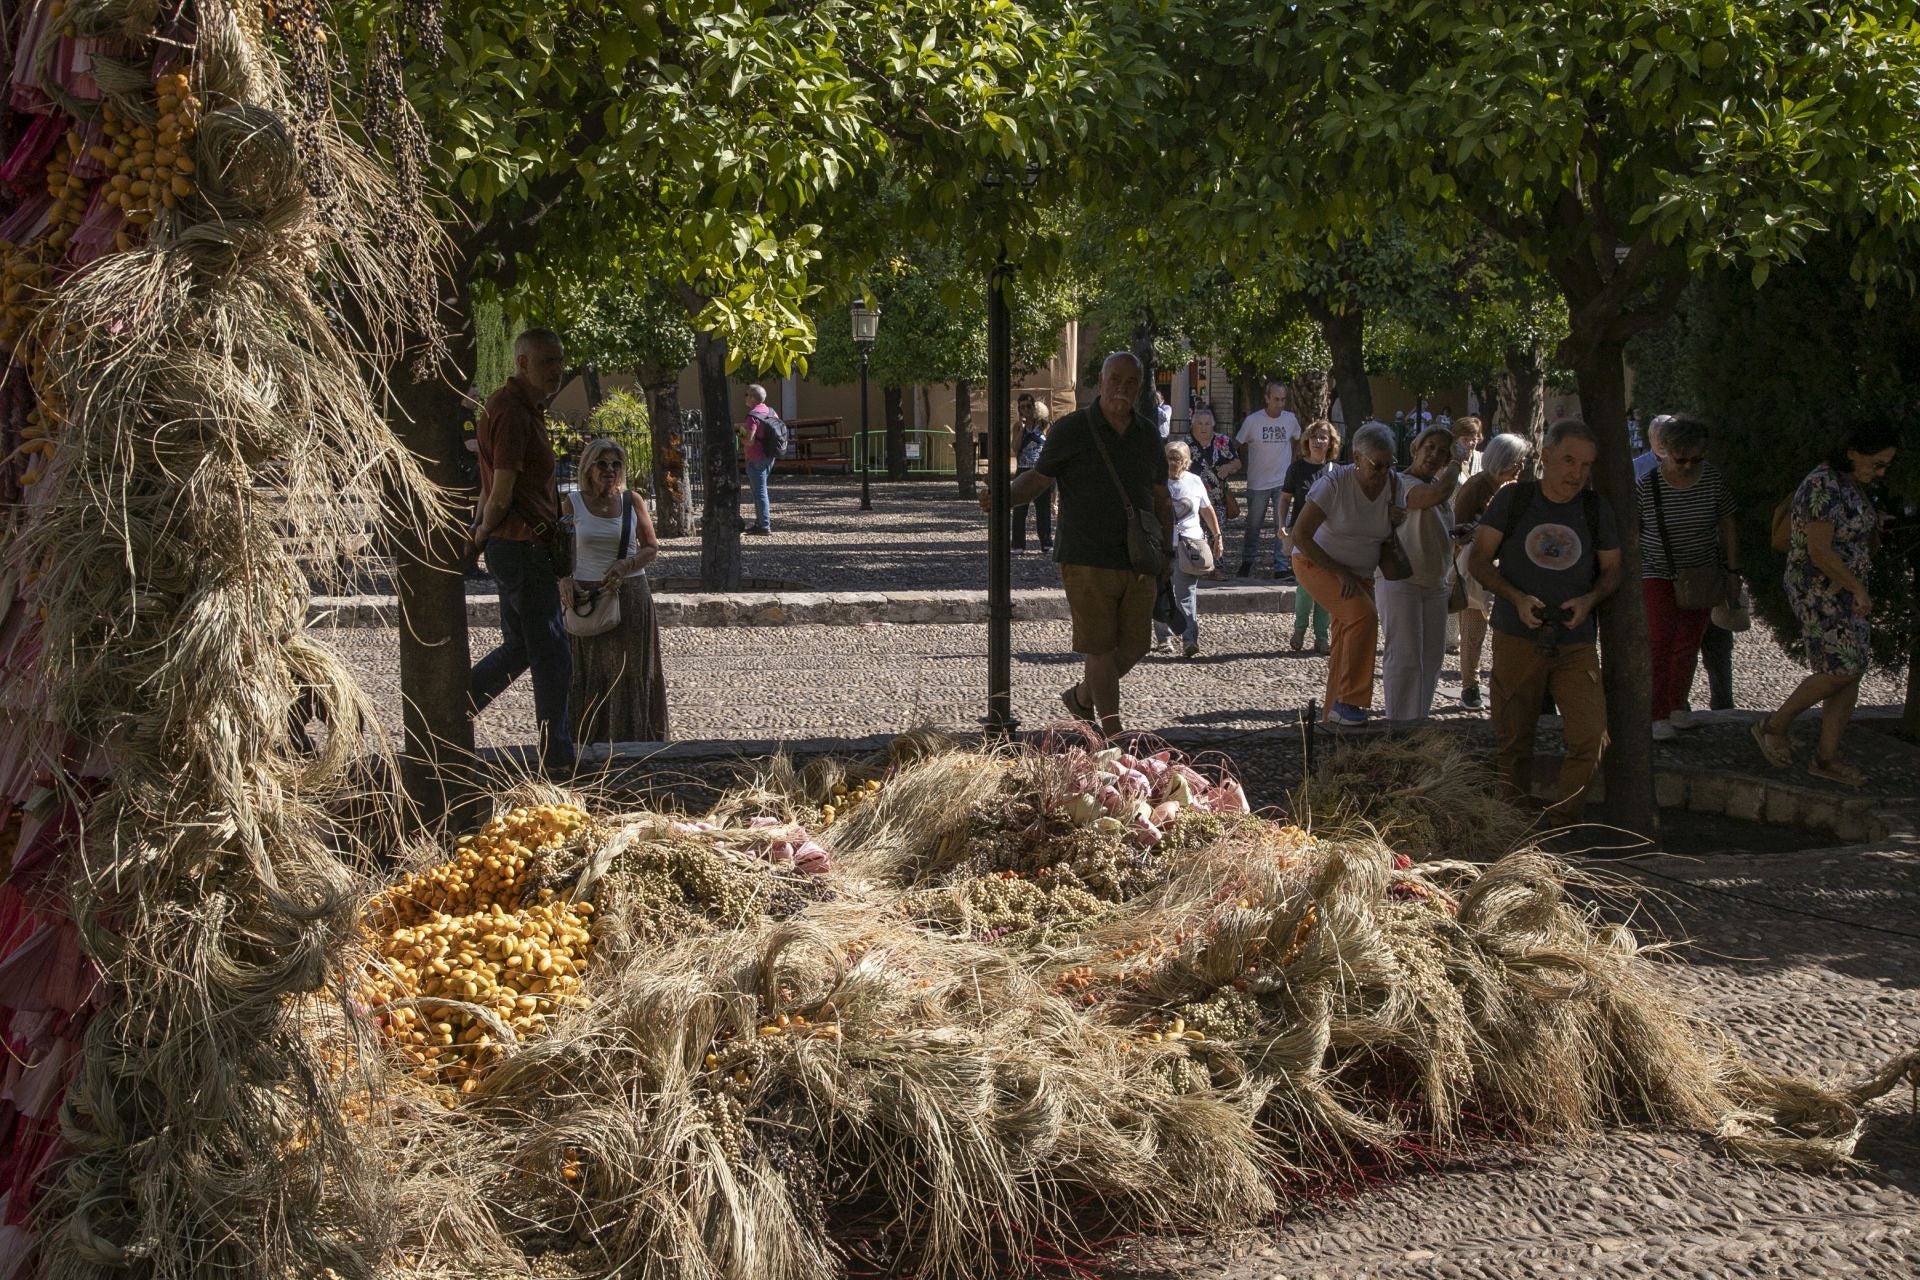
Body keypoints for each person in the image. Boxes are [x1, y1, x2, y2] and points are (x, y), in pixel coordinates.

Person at [997, 352, 1173, 737]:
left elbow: (1162, 498)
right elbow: (1039, 479)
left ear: (1140, 388)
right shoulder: (1071, 429)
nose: (1122, 388)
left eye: (1131, 382)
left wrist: (1169, 552)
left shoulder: (1147, 435)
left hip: (1139, 557)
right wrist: (1002, 497)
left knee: (1136, 646)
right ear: (1102, 380)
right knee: (1100, 648)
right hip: (1086, 556)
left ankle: (1081, 697)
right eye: (1116, 379)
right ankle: (1112, 736)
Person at [1468, 419, 1623, 823]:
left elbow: (1613, 571)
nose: (1577, 473)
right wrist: (1517, 598)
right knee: (1513, 739)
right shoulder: (1513, 501)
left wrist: (1590, 599)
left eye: (1586, 465)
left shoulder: (1594, 508)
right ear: (1547, 457)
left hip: (1575, 641)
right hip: (1517, 636)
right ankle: (1510, 822)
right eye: (1569, 461)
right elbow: (1479, 561)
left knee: (1591, 736)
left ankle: (1562, 821)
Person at [1752, 422, 1900, 785]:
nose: (1880, 472)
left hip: (1846, 590)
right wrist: (1858, 589)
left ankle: (1826, 758)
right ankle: (1774, 725)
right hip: (1820, 589)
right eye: (1877, 463)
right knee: (1841, 670)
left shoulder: (1848, 484)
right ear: (1853, 452)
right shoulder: (1823, 484)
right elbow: (1819, 550)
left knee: (1851, 671)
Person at [469, 328, 575, 771]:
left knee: (520, 646)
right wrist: (478, 537)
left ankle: (454, 706)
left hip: (520, 545)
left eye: (559, 361)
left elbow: (491, 485)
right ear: (523, 363)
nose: (557, 370)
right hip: (521, 546)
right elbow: (502, 490)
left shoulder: (521, 409)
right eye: (548, 361)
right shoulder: (511, 412)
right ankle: (557, 757)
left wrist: (481, 533)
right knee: (553, 653)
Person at [1289, 421, 1403, 727]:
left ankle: (1332, 715)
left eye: (1390, 464)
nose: (1384, 472)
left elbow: (1386, 533)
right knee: (1364, 617)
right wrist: (1339, 573)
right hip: (1317, 563)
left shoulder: (1393, 484)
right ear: (1357, 458)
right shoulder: (1334, 484)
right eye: (1377, 465)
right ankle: (1350, 701)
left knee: (1347, 635)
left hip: (1360, 571)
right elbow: (1300, 535)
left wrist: (1398, 519)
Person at [1635, 414, 1738, 743]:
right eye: (1681, 460)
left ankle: (1677, 706)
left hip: (1701, 572)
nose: (1688, 466)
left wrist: (1733, 570)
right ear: (1665, 452)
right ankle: (1656, 712)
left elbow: (1728, 522)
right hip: (1657, 570)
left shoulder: (1712, 480)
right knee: (1659, 642)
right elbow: (1635, 532)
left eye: (1696, 459)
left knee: (1688, 644)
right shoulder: (1647, 485)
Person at [561, 438, 669, 745]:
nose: (610, 469)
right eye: (602, 463)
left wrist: (626, 564)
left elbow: (651, 547)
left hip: (630, 591)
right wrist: (564, 580)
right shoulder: (573, 503)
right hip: (586, 596)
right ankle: (587, 736)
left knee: (632, 667)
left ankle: (633, 736)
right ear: (589, 468)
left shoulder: (632, 501)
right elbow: (558, 550)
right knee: (590, 667)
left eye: (615, 464)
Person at [1377, 424, 1465, 722]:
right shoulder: (1402, 483)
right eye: (1430, 447)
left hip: (1434, 583)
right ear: (1417, 447)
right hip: (1402, 581)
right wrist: (1457, 460)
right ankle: (1399, 722)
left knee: (1431, 657)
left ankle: (1418, 717)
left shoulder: (1435, 491)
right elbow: (1437, 494)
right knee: (1404, 655)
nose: (1434, 454)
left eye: (1442, 451)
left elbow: (1437, 526)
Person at [1450, 432, 1532, 711]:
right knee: (1473, 630)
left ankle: (1503, 683)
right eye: (1516, 462)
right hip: (1476, 569)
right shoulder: (1477, 486)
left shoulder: (1514, 488)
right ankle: (1469, 685)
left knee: (1505, 631)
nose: (1521, 468)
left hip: (1506, 568)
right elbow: (1457, 529)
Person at [1154, 440, 1225, 658]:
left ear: (1186, 462)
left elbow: (1206, 510)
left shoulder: (1195, 481)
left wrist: (1217, 536)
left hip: (1189, 544)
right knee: (1161, 590)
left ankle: (1189, 638)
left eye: (1177, 458)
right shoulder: (1156, 482)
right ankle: (1164, 638)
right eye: (1169, 457)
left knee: (1186, 593)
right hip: (1162, 544)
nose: (1172, 462)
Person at [1277, 418, 1341, 653]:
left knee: (1324, 585)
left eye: (1323, 437)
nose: (1318, 441)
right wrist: (1282, 524)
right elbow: (1285, 498)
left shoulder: (1336, 471)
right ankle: (1300, 628)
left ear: (1330, 442)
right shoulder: (1296, 468)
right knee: (1305, 585)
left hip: (1327, 535)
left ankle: (1322, 637)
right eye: (1314, 437)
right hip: (1301, 533)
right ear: (1307, 440)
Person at [1235, 380, 1299, 581]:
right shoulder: (1253, 421)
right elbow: (1237, 443)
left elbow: (1300, 438)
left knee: (1280, 525)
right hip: (1258, 482)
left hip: (1282, 481)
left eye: (1283, 399)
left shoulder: (1290, 419)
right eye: (1276, 399)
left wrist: (1294, 462)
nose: (1280, 403)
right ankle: (1247, 561)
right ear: (1267, 398)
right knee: (1253, 524)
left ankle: (1281, 566)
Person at [1187, 407, 1242, 536]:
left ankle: (1216, 556)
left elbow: (1238, 463)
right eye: (1200, 423)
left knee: (1216, 537)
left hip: (1217, 500)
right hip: (1193, 500)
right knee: (1195, 538)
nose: (1203, 427)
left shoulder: (1222, 441)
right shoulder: (1186, 444)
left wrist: (1228, 468)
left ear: (1212, 425)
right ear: (1193, 424)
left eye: (1207, 424)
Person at [1011, 395, 1054, 553]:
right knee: (1020, 508)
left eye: (1029, 406)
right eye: (1022, 407)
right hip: (1023, 469)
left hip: (1040, 470)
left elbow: (1051, 444)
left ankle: (1046, 543)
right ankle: (1018, 545)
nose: (1026, 410)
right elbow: (1015, 448)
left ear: (1034, 407)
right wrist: (1022, 430)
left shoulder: (1044, 425)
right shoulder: (1017, 426)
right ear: (1019, 409)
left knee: (1043, 508)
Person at [740, 384, 778, 536]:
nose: (745, 397)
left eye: (746, 394)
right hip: (769, 455)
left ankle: (763, 525)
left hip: (755, 458)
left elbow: (749, 440)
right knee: (761, 490)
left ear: (753, 398)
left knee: (760, 492)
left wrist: (740, 437)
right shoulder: (771, 412)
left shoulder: (752, 416)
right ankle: (761, 523)